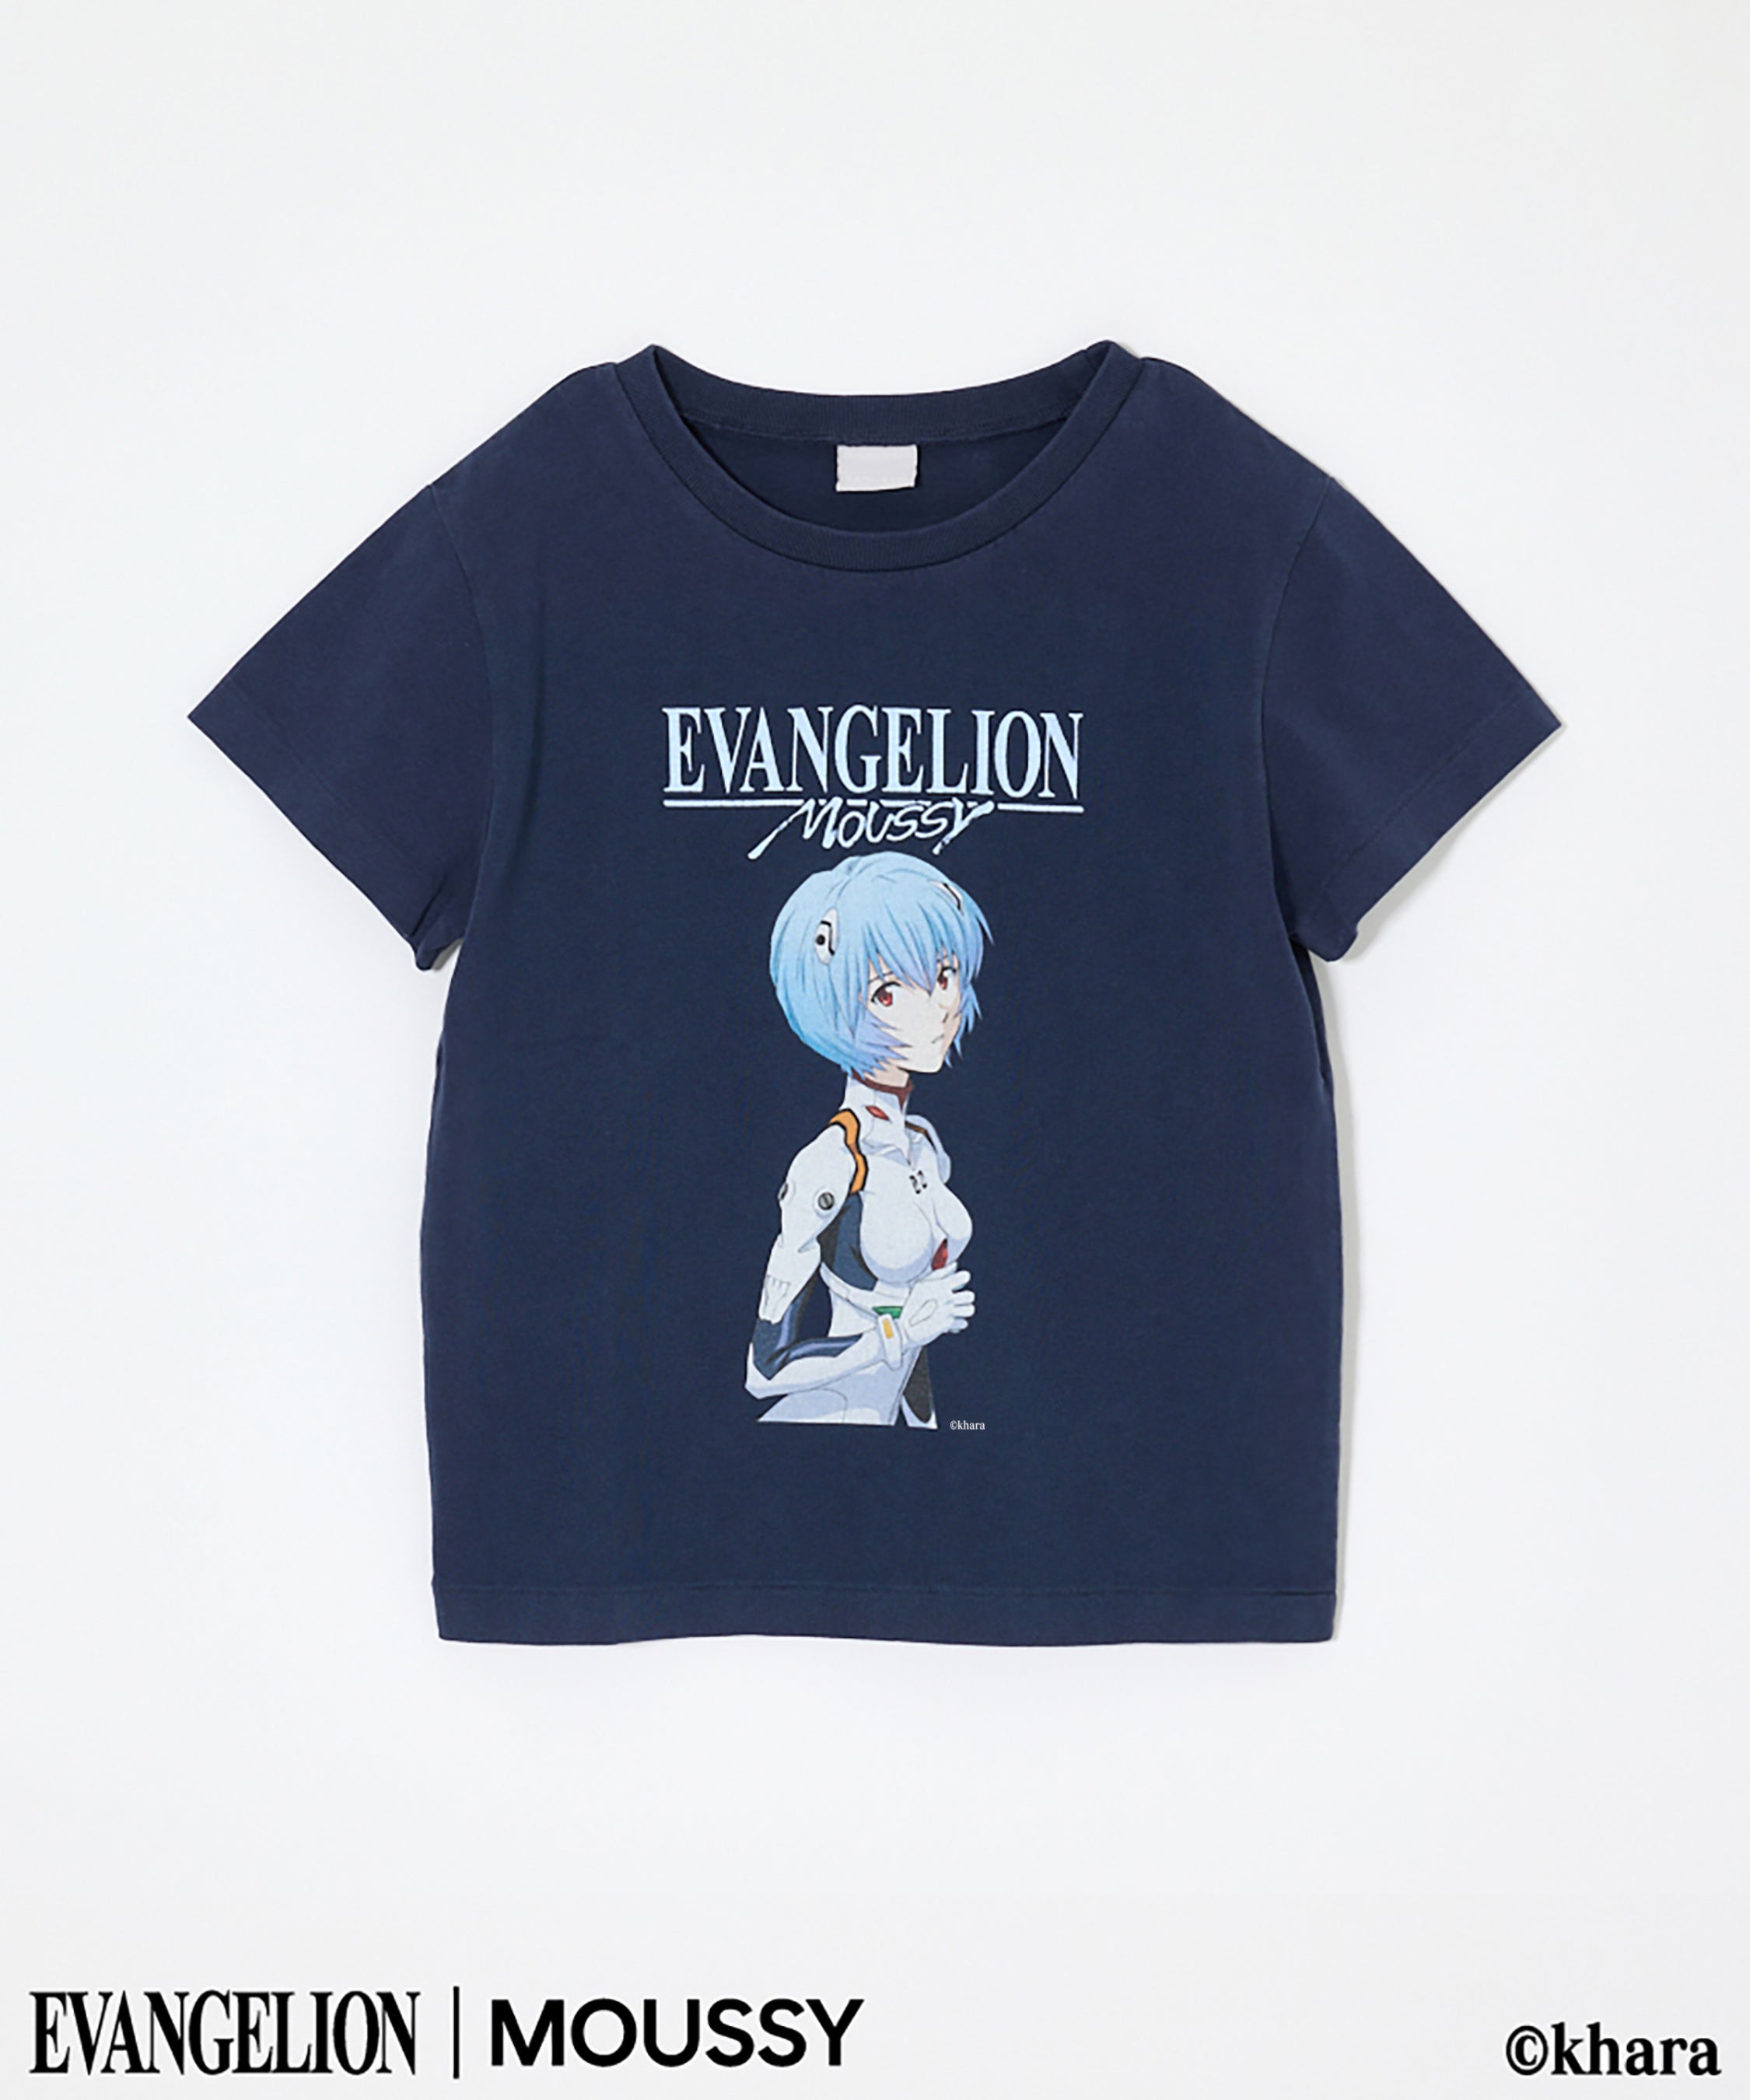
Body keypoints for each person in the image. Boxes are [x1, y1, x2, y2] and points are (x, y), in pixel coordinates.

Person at [746, 852, 991, 1426]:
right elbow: (763, 1372)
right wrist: (898, 1333)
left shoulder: (925, 1144)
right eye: (887, 992)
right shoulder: (829, 1164)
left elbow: (916, 1350)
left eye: (944, 975)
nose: (938, 1007)